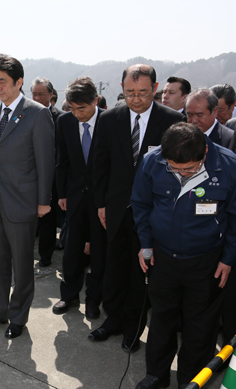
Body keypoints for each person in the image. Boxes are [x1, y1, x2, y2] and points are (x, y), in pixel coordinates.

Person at [131, 122, 236, 389]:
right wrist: (145, 244)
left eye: (188, 169)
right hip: (163, 258)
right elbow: (141, 204)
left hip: (207, 261)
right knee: (162, 317)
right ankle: (156, 374)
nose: (181, 174)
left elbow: (235, 217)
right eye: (174, 169)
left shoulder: (228, 165)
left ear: (203, 153)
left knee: (200, 324)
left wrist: (228, 258)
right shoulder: (152, 161)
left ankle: (190, 382)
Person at [91, 64, 185, 353]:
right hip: (116, 209)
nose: (136, 99)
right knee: (114, 268)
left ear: (155, 89)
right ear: (122, 89)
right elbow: (99, 163)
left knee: (140, 275)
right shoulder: (109, 118)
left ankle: (133, 328)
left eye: (143, 93)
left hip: (153, 213)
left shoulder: (171, 120)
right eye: (130, 93)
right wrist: (101, 203)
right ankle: (113, 320)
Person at [0, 53, 54, 339]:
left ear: (19, 82)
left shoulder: (37, 113)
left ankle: (18, 317)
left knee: (22, 265)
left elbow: (46, 160)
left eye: (4, 81)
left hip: (21, 201)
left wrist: (43, 201)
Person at [53, 77, 106, 319]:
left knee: (99, 251)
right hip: (74, 196)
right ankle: (69, 295)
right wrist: (62, 193)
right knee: (71, 250)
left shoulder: (110, 121)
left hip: (101, 199)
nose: (77, 114)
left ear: (95, 101)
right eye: (72, 109)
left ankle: (94, 300)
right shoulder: (64, 122)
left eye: (82, 108)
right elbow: (62, 161)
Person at [30, 77, 62, 265]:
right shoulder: (25, 114)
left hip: (51, 178)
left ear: (51, 95)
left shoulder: (61, 118)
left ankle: (45, 256)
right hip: (29, 177)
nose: (37, 97)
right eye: (34, 93)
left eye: (41, 94)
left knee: (48, 221)